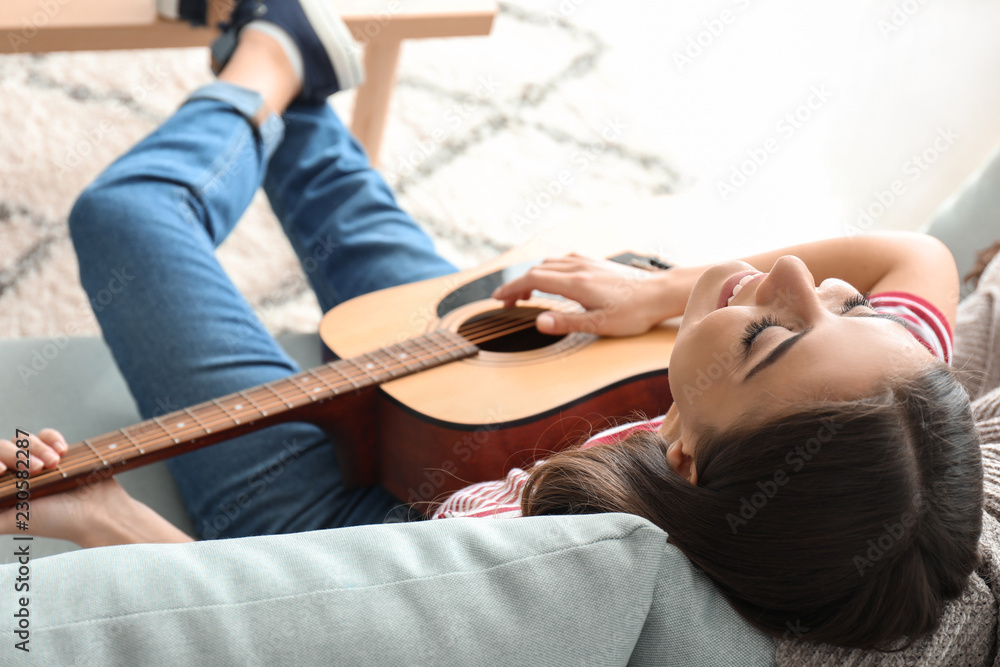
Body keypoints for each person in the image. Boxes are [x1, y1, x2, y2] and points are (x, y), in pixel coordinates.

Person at [0, 0, 984, 652]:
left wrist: (99, 513)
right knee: (361, 217)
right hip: (515, 399)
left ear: (682, 458)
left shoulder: (538, 560)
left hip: (355, 522)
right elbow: (920, 259)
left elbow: (297, 610)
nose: (782, 277)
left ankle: (263, 52)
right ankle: (278, 51)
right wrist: (658, 295)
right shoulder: (880, 421)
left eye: (771, 335)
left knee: (127, 219)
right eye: (841, 307)